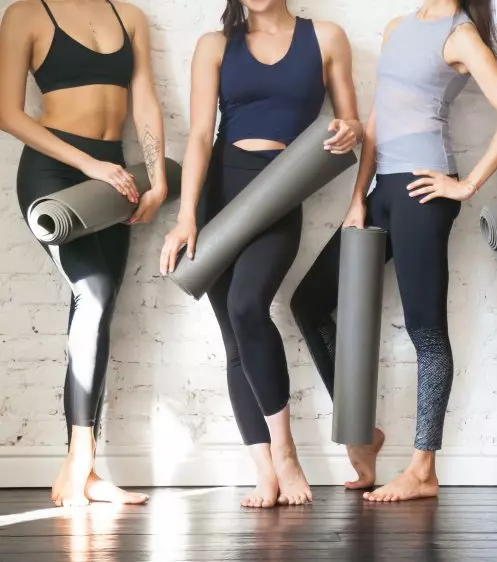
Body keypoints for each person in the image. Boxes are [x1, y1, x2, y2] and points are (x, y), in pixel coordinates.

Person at [290, 0, 497, 502]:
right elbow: (376, 122)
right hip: (382, 194)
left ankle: (423, 468)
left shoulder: (460, 35)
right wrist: (358, 198)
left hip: (425, 192)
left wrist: (465, 186)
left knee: (426, 331)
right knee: (309, 303)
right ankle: (363, 432)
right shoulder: (396, 28)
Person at [158, 0, 364, 508]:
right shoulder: (215, 45)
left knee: (248, 305)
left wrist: (351, 131)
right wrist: (187, 216)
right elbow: (202, 135)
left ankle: (286, 451)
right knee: (233, 337)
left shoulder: (327, 38)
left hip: (280, 192)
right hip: (220, 193)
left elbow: (350, 122)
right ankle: (264, 471)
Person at [0, 0, 169, 507]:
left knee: (99, 306)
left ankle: (85, 469)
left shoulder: (130, 16)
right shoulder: (27, 13)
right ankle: (79, 460)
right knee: (91, 295)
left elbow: (144, 101)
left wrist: (157, 180)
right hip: (54, 172)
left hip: (114, 175)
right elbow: (7, 112)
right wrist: (87, 164)